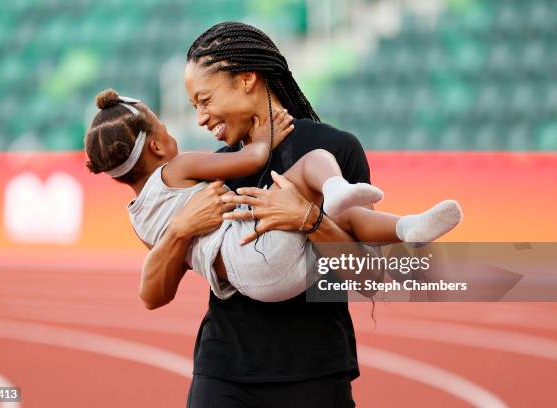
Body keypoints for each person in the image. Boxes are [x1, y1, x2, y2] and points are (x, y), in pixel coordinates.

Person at [139, 22, 459, 407]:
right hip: (223, 371)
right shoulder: (214, 169)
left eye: (204, 101)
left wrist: (310, 220)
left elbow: (369, 277)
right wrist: (179, 230)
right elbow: (153, 296)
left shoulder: (333, 148)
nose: (200, 119)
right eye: (194, 107)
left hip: (314, 372)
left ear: (246, 79)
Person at [84, 89, 461, 302]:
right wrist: (267, 135)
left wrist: (180, 232)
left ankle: (408, 227)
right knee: (315, 164)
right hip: (255, 248)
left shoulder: (138, 217)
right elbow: (254, 156)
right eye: (165, 127)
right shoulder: (177, 168)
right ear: (156, 147)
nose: (197, 118)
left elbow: (163, 275)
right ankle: (339, 189)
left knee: (334, 218)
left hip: (251, 284)